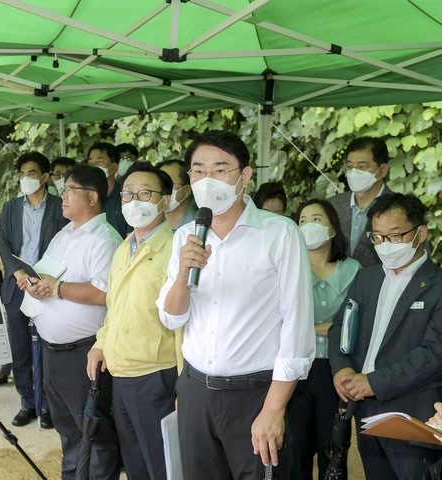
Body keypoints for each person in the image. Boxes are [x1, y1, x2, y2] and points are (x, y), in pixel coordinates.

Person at [157, 130, 316, 479]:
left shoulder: (281, 233)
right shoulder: (186, 236)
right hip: (196, 390)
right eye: (198, 171)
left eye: (220, 169)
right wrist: (184, 271)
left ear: (245, 176)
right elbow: (171, 317)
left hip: (255, 395)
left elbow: (297, 328)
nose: (207, 180)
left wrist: (274, 409)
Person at [328, 193, 442, 479]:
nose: (385, 246)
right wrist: (341, 368)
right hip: (364, 408)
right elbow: (340, 326)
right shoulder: (365, 279)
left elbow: (434, 354)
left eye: (394, 236)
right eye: (377, 237)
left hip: (413, 411)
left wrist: (373, 382)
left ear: (420, 233)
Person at [25, 164, 122, 480]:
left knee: (94, 434)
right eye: (62, 190)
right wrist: (33, 284)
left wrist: (55, 287)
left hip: (83, 355)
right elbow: (47, 278)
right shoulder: (63, 234)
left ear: (92, 196)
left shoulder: (104, 239)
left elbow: (103, 293)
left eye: (69, 190)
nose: (62, 196)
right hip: (52, 352)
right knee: (67, 431)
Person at [88, 162, 181, 480]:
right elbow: (114, 308)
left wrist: (184, 385)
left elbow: (185, 324)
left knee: (162, 465)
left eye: (145, 193)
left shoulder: (177, 249)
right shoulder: (123, 249)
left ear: (165, 200)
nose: (134, 200)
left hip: (156, 377)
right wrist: (100, 344)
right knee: (135, 462)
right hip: (120, 374)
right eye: (128, 194)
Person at [0, 151, 67, 429]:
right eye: (21, 174)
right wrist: (19, 273)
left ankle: (47, 404)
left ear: (45, 176)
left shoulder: (60, 207)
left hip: (47, 286)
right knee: (20, 347)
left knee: (48, 347)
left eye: (31, 173)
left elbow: (65, 244)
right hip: (17, 285)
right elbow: (5, 244)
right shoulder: (10, 207)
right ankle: (26, 401)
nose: (25, 179)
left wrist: (41, 278)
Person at [287, 199, 361, 480]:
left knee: (333, 451)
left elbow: (353, 325)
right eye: (302, 220)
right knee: (296, 451)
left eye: (315, 219)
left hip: (336, 370)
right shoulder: (288, 267)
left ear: (332, 230)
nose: (307, 225)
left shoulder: (353, 270)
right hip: (296, 368)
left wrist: (305, 326)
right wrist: (329, 327)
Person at [327, 137, 393, 267]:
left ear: (383, 170)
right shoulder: (332, 206)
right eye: (350, 166)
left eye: (362, 166)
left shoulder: (401, 209)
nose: (354, 172)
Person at [87, 142, 129, 238]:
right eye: (90, 163)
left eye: (99, 162)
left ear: (114, 167)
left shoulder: (125, 198)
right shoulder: (83, 198)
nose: (93, 167)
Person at [159, 159, 197, 231]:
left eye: (168, 183)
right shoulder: (152, 226)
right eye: (159, 184)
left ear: (187, 190)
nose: (162, 189)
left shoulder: (200, 227)